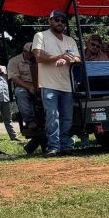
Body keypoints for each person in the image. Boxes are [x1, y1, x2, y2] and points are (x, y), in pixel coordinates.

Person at [31, 11, 80, 156]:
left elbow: (78, 59)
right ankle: (53, 147)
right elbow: (39, 57)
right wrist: (60, 56)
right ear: (50, 21)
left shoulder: (69, 40)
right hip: (48, 84)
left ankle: (66, 147)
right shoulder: (40, 36)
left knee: (67, 118)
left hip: (67, 85)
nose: (60, 23)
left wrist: (67, 60)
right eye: (57, 20)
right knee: (52, 116)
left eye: (63, 21)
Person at [8, 43, 37, 136]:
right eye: (32, 53)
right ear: (25, 52)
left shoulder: (38, 59)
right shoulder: (14, 61)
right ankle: (30, 121)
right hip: (23, 86)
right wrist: (29, 87)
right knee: (20, 93)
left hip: (39, 86)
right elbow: (15, 79)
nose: (34, 55)